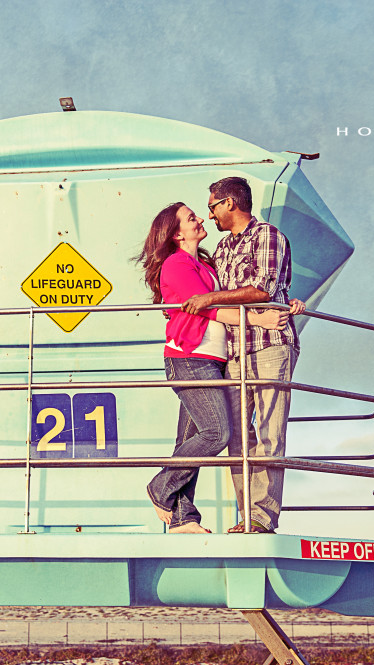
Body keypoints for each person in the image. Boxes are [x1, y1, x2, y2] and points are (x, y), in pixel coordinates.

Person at [136, 202, 289, 533]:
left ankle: (181, 518)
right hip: (190, 358)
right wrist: (258, 319)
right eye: (192, 218)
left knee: (189, 438)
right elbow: (209, 310)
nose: (201, 219)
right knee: (217, 432)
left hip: (213, 361)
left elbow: (220, 299)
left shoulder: (203, 264)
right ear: (177, 233)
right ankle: (161, 487)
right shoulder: (177, 264)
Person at [182, 177, 305, 534]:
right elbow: (208, 285)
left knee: (269, 434)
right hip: (233, 351)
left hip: (269, 344)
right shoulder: (222, 248)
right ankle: (245, 517)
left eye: (212, 206)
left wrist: (209, 300)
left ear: (230, 203)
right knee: (237, 440)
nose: (210, 214)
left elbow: (261, 288)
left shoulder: (268, 236)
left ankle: (261, 519)